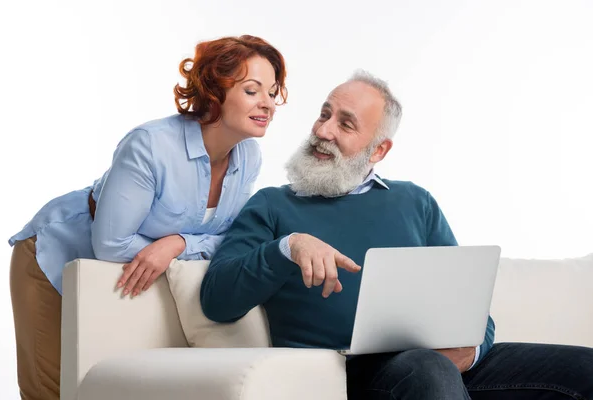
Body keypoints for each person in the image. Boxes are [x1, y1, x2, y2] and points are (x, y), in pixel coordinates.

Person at [199, 70, 593, 399]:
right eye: (324, 115)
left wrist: (471, 350)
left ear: (378, 151)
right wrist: (288, 246)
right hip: (353, 373)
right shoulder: (272, 205)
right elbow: (217, 299)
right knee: (427, 369)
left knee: (583, 368)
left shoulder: (415, 202)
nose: (323, 130)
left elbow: (470, 307)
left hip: (437, 367)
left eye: (345, 123)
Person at [8, 34, 287, 400]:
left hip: (136, 276)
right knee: (53, 390)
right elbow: (110, 244)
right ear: (215, 92)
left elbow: (235, 239)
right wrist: (180, 249)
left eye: (272, 91)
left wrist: (177, 243)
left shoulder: (249, 155)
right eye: (252, 91)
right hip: (56, 256)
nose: (267, 103)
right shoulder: (150, 144)